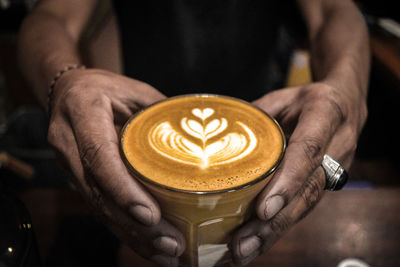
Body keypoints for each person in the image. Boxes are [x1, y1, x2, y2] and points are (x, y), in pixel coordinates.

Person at [17, 0, 370, 266]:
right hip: (143, 139)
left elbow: (333, 10)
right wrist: (63, 81)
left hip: (262, 134)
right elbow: (51, 17)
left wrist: (347, 89)